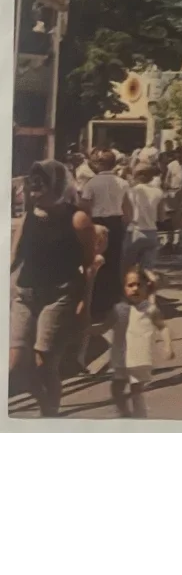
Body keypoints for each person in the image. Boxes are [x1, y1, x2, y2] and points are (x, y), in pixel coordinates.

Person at [9, 161, 97, 417]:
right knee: (15, 365)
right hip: (25, 294)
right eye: (32, 183)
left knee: (44, 364)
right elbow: (14, 256)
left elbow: (89, 263)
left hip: (59, 296)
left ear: (56, 185)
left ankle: (50, 415)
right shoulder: (30, 215)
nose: (34, 189)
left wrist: (85, 302)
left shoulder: (77, 219)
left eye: (41, 183)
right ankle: (44, 404)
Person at [109, 267, 173, 419]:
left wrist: (168, 345)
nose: (135, 288)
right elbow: (105, 326)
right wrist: (90, 330)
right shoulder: (118, 309)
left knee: (136, 391)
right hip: (121, 357)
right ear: (124, 289)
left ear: (146, 288)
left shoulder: (150, 309)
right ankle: (124, 412)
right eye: (130, 285)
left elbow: (162, 327)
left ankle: (140, 420)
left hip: (139, 357)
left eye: (139, 285)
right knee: (116, 388)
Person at [79, 149, 132, 321]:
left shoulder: (92, 183)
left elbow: (85, 206)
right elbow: (127, 208)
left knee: (96, 260)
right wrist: (124, 224)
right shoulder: (122, 182)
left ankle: (97, 301)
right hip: (116, 223)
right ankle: (112, 299)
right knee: (114, 261)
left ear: (99, 164)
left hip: (97, 223)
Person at [123, 166, 166, 274]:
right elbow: (162, 217)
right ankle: (148, 289)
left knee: (130, 268)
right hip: (151, 231)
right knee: (148, 269)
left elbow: (126, 213)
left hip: (134, 231)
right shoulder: (158, 192)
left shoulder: (131, 191)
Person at [162, 145, 182, 254]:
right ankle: (169, 242)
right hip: (172, 194)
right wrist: (167, 189)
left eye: (180, 154)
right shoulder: (172, 165)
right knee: (170, 219)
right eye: (176, 154)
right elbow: (167, 179)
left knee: (181, 220)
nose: (178, 157)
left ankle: (180, 242)